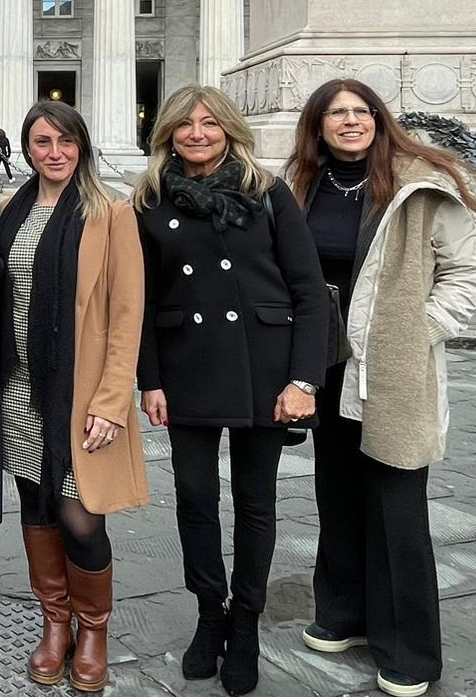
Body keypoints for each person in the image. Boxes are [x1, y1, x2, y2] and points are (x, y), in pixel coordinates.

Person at [287, 79, 476, 697]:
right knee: (336, 492)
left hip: (394, 368)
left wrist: (417, 329)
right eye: (336, 113)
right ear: (318, 126)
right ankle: (345, 612)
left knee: (398, 503)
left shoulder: (422, 184)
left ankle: (410, 647)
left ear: (379, 118)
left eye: (361, 111)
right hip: (324, 366)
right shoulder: (301, 185)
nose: (350, 121)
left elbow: (467, 273)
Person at [134, 85, 329, 697]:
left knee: (255, 503)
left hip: (262, 369)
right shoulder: (148, 200)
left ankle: (244, 625)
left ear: (229, 129)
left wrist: (304, 380)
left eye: (209, 123)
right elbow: (138, 302)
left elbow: (308, 291)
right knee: (194, 499)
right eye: (185, 124)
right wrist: (151, 380)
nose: (197, 133)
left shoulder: (266, 193)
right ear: (167, 132)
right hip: (187, 366)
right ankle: (208, 613)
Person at [0, 101, 148, 693]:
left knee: (80, 517)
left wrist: (112, 401)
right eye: (41, 142)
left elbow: (126, 313)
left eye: (64, 141)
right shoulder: (13, 209)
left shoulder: (111, 213)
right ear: (26, 149)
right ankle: (54, 624)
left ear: (81, 145)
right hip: (21, 389)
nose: (53, 153)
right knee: (36, 508)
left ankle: (94, 631)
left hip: (82, 394)